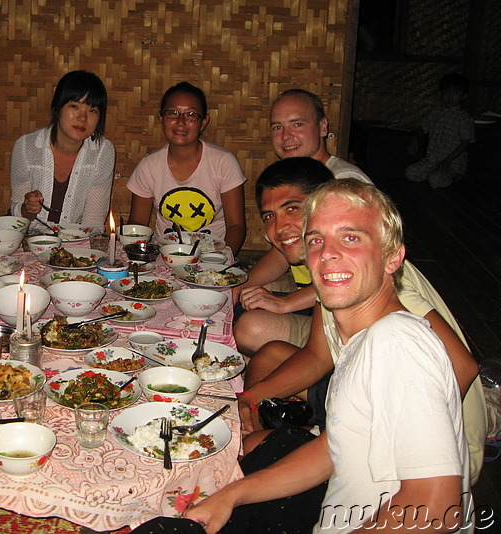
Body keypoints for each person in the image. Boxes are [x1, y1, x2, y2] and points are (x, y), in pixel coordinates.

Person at [138, 179, 472, 533]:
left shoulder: (397, 342)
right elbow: (334, 447)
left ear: (393, 257)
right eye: (316, 240)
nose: (327, 252)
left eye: (351, 237)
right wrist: (234, 495)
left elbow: (437, 507)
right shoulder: (359, 338)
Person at [237, 175, 486, 485]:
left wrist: (385, 445)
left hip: (437, 451)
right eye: (269, 216)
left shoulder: (384, 282)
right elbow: (318, 356)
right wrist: (250, 397)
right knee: (270, 357)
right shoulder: (332, 274)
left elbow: (463, 367)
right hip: (364, 396)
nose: (280, 228)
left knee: (250, 454)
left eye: (293, 210)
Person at [233, 89, 371, 352]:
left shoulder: (345, 185)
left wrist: (285, 303)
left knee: (250, 324)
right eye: (277, 127)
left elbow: (358, 273)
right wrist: (240, 288)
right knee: (248, 294)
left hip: (346, 313)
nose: (286, 137)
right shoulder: (290, 179)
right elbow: (282, 252)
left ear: (322, 126)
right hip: (314, 289)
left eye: (297, 124)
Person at [127, 81, 247, 255]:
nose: (181, 122)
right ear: (161, 118)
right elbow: (138, 223)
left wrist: (220, 259)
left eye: (191, 115)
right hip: (165, 256)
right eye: (173, 113)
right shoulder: (149, 166)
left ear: (204, 122)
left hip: (212, 257)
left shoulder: (223, 163)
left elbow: (236, 226)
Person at [10, 70, 115, 231]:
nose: (82, 117)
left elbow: (93, 223)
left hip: (77, 243)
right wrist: (27, 209)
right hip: (29, 241)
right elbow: (17, 217)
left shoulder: (102, 152)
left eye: (92, 110)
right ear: (57, 106)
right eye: (74, 106)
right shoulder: (26, 146)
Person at [406, 73, 474, 189]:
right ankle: (434, 174)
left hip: (452, 163)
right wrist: (414, 139)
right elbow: (421, 129)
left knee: (435, 181)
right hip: (431, 161)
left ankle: (455, 175)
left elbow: (465, 143)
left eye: (455, 93)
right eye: (447, 92)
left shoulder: (464, 118)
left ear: (463, 96)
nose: (450, 97)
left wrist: (447, 161)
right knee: (410, 172)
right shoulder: (435, 113)